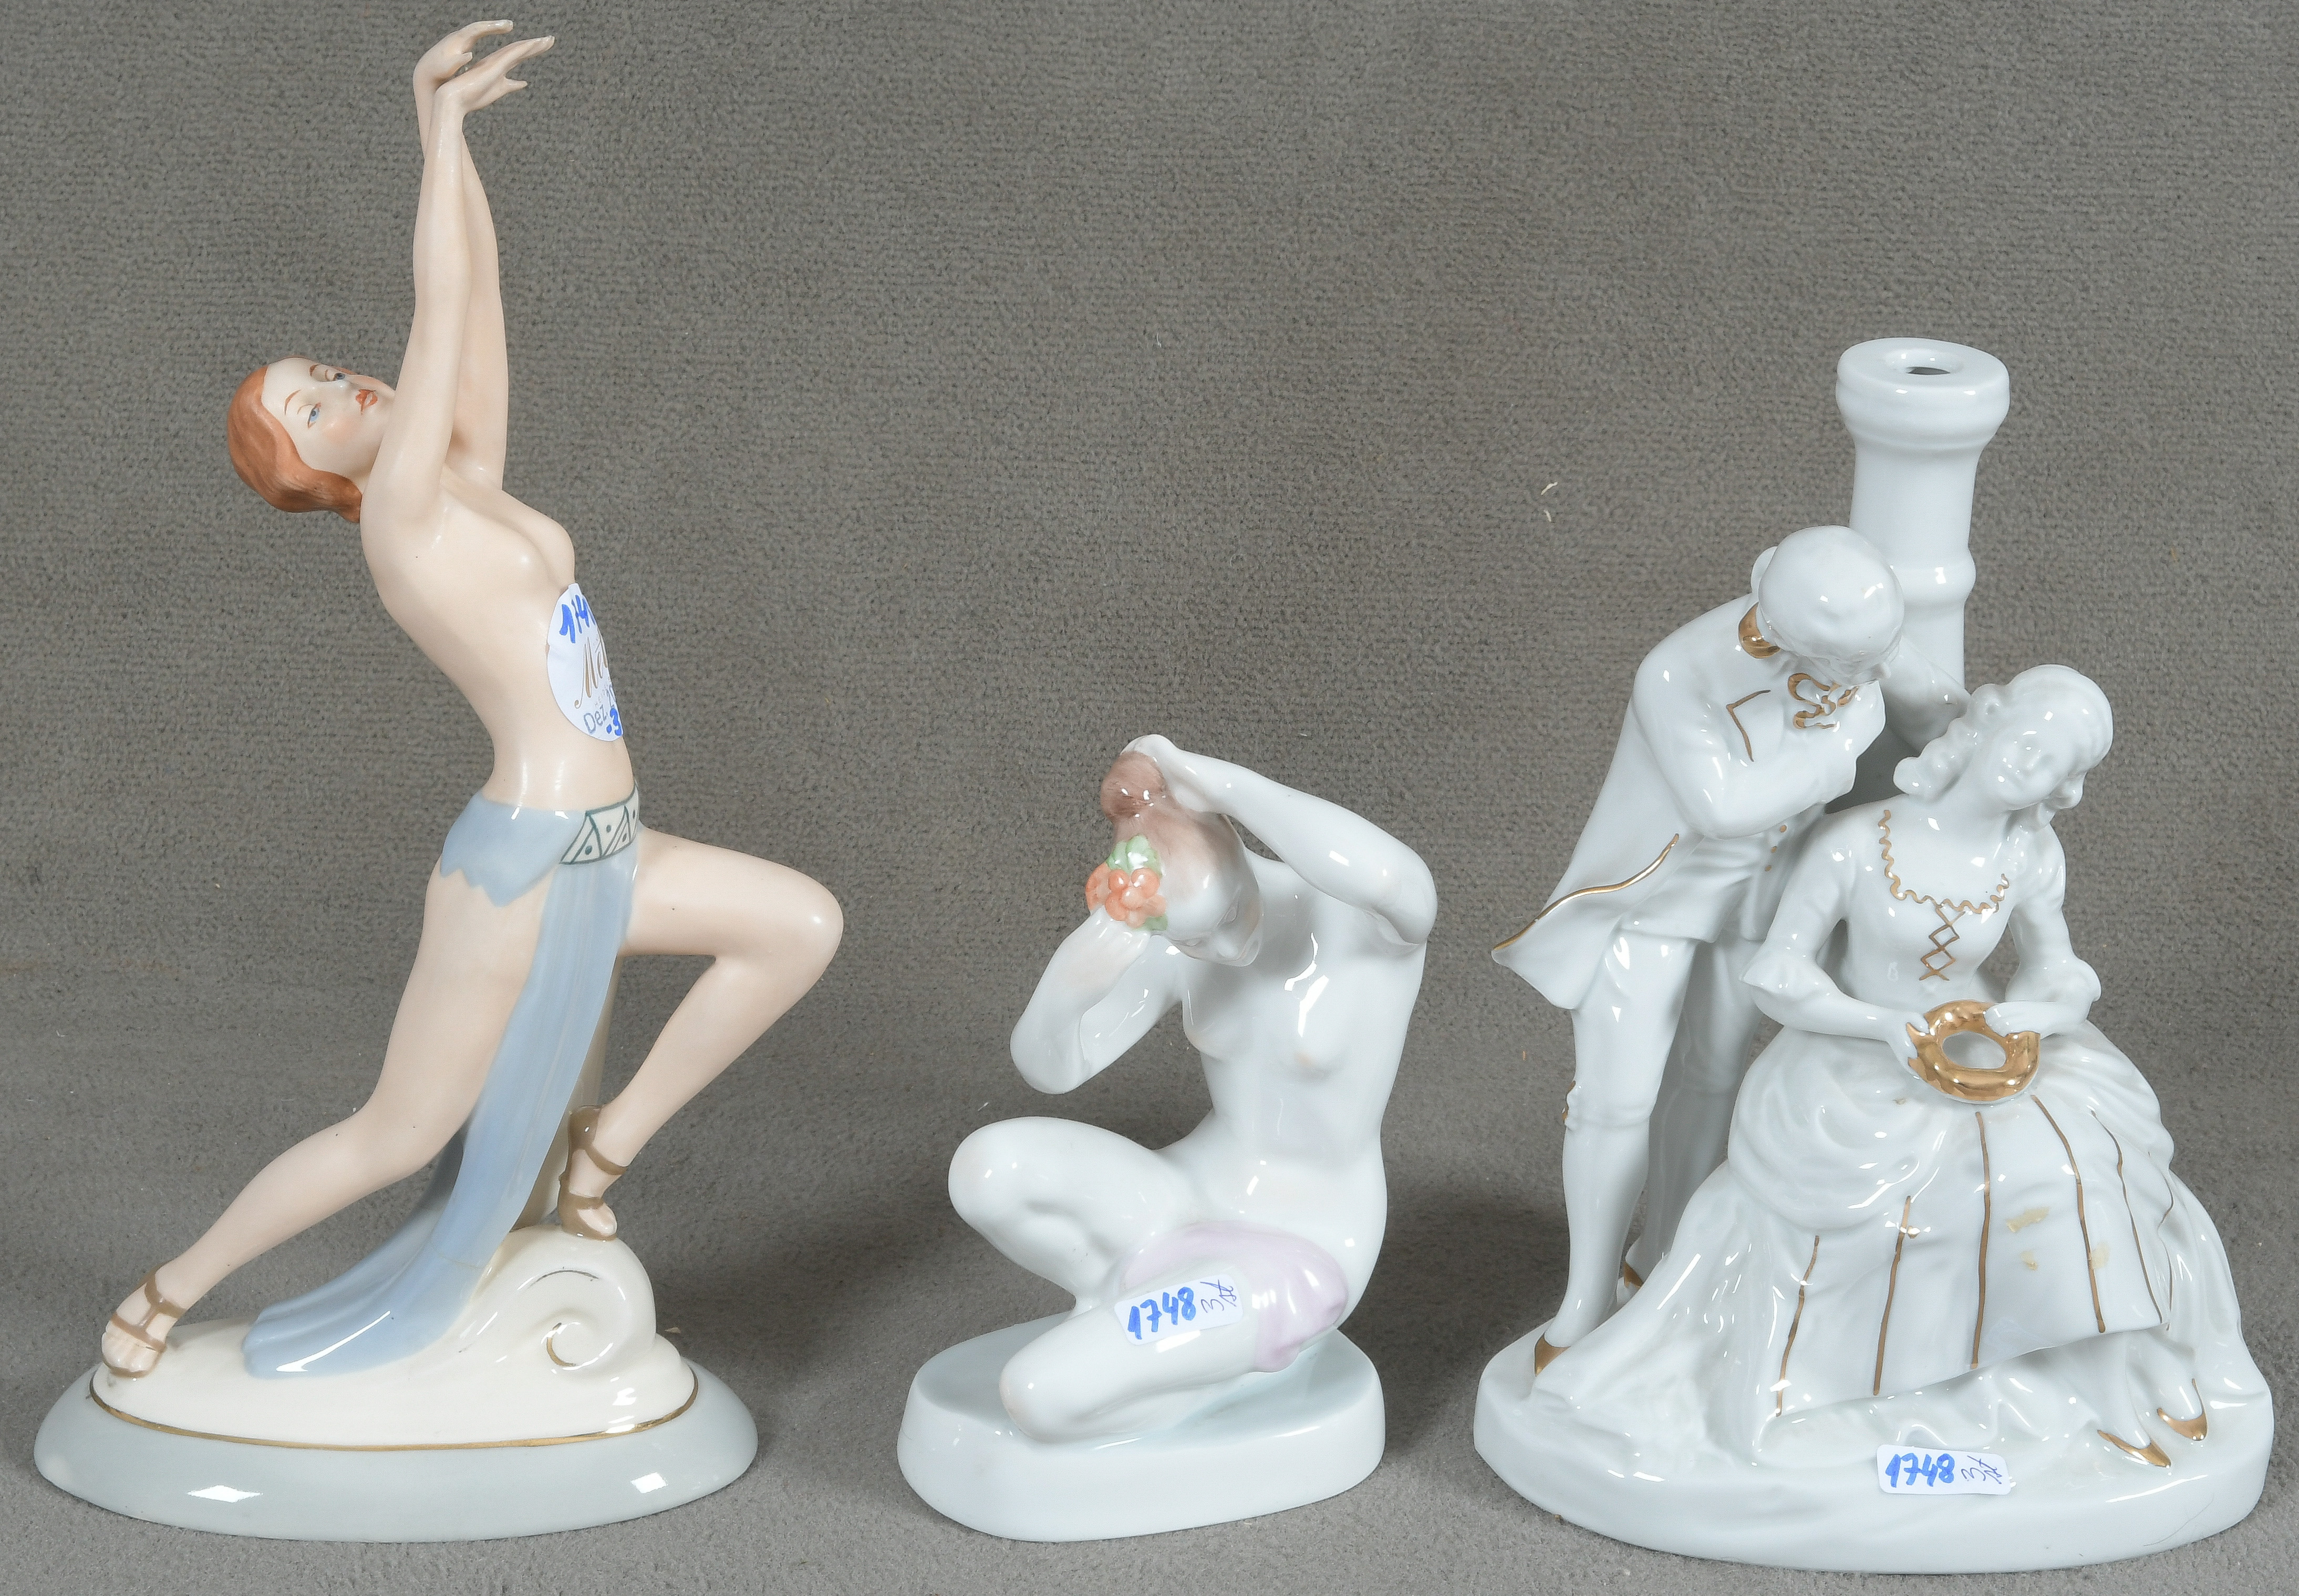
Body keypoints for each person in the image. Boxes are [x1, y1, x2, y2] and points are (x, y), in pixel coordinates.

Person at [101, 24, 841, 1382]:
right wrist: (433, 134)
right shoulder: (403, 524)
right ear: (318, 476)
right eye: (313, 408)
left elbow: (476, 309)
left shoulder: (468, 487)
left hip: (610, 844)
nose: (344, 385)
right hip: (525, 869)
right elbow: (435, 314)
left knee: (799, 923)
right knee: (398, 1129)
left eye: (324, 371)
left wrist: (459, 152)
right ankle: (172, 1285)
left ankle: (605, 1150)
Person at [1528, 666, 2262, 1470]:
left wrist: (2039, 1014)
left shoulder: (2027, 854)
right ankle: (1888, 1384)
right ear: (1984, 726)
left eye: (2052, 762)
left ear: (2062, 787)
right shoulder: (1858, 841)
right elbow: (1778, 971)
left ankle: (2103, 1381)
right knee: (1920, 1198)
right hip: (1853, 1057)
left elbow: (2058, 966)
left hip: (1985, 1047)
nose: (2028, 764)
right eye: (2026, 740)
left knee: (2075, 1165)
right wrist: (1877, 1023)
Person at [1494, 525, 1965, 1362]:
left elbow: (1936, 711)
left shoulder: (1863, 640)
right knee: (1615, 1100)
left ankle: (1664, 1263)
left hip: (1758, 898)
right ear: (1776, 619)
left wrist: (1987, 736)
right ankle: (1585, 1299)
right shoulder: (1677, 671)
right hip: (1652, 899)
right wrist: (1840, 750)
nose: (1871, 676)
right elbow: (1722, 805)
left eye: (1877, 657)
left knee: (1713, 1076)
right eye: (1855, 665)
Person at [949, 738, 1435, 1441]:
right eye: (1194, 942)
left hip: (1299, 1239)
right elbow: (1054, 1070)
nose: (1222, 949)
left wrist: (1216, 783)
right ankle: (1120, 1318)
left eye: (1229, 916)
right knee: (986, 1168)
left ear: (1239, 854)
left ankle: (1189, 1357)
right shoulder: (1175, 941)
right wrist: (1065, 988)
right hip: (1178, 1199)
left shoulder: (1359, 927)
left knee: (1038, 1395)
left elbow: (1394, 875)